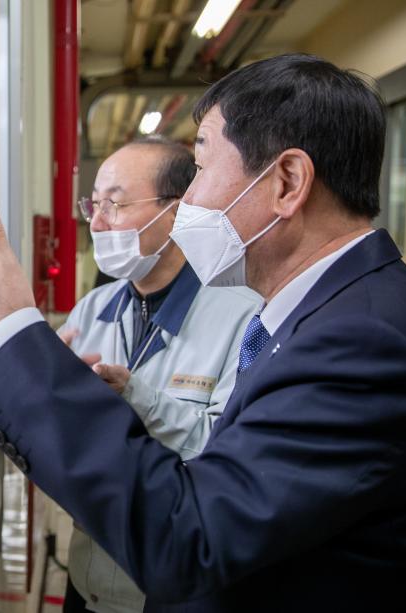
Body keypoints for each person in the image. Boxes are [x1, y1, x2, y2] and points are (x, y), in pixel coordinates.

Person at [0, 54, 406, 611]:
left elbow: (188, 537)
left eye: (202, 168)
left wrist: (7, 329)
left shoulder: (364, 343)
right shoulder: (331, 314)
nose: (190, 204)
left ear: (287, 182)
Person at [59, 137, 259, 613]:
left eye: (115, 204)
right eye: (93, 204)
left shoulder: (245, 316)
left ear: (177, 211)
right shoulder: (91, 309)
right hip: (87, 577)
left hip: (176, 587)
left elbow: (231, 457)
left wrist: (135, 396)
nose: (97, 222)